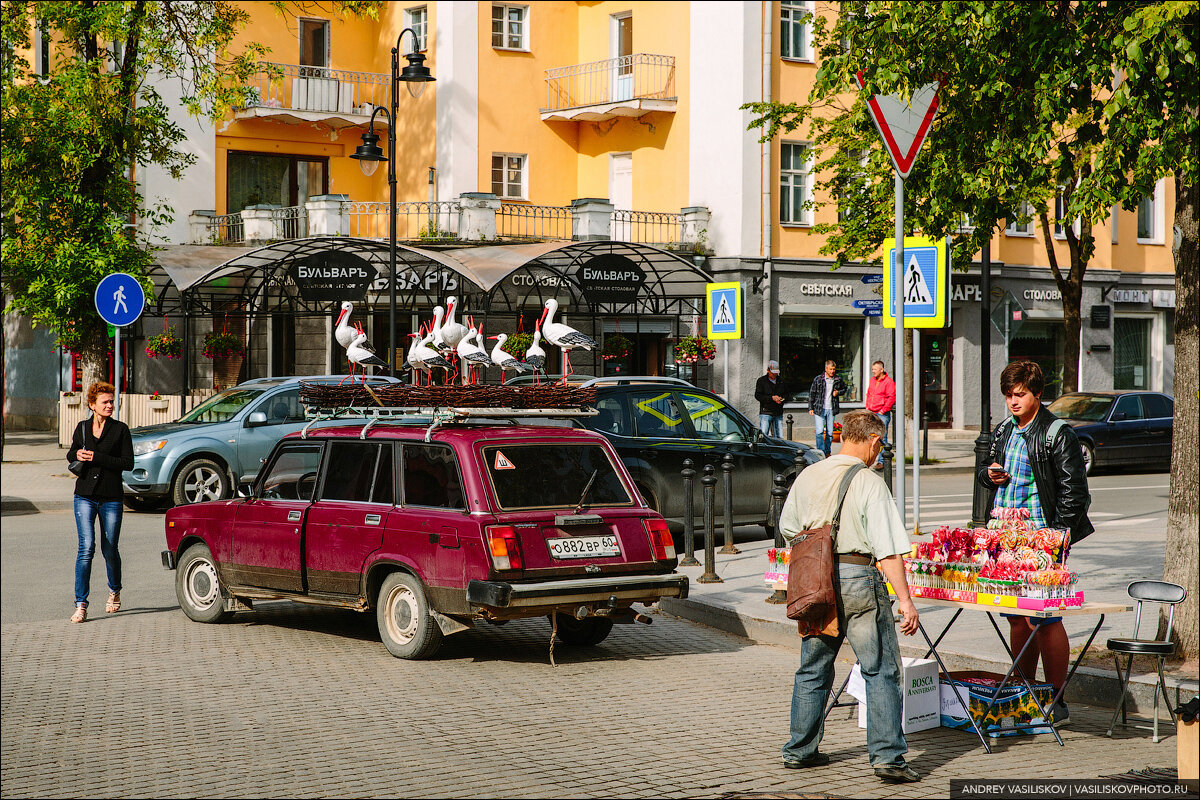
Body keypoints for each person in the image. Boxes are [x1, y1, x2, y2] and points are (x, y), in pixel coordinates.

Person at [779, 410, 921, 783]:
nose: (881, 452)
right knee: (880, 670)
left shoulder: (809, 473)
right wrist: (905, 600)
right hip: (858, 578)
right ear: (874, 441)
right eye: (882, 445)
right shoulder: (869, 482)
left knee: (813, 668)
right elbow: (888, 550)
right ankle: (888, 758)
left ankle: (799, 750)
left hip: (816, 580)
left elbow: (789, 529)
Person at [976, 360, 1093, 728]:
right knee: (1016, 616)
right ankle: (1024, 693)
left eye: (1020, 395)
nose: (1013, 401)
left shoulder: (1057, 432)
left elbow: (1076, 492)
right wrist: (989, 475)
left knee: (1044, 617)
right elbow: (983, 473)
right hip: (1005, 536)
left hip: (1043, 537)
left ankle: (1056, 700)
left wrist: (1057, 537)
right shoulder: (1003, 431)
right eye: (1008, 395)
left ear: (1038, 394)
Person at [66, 381, 134, 623]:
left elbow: (128, 463)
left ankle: (114, 590)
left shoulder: (120, 430)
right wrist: (77, 454)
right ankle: (81, 604)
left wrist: (98, 457)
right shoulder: (82, 428)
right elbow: (71, 453)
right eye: (104, 402)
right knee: (86, 548)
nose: (110, 405)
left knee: (109, 548)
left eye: (111, 401)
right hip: (84, 494)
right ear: (92, 405)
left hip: (111, 498)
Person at [808, 360, 847, 457]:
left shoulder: (837, 379)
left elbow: (845, 388)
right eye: (831, 369)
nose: (832, 371)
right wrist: (810, 407)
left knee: (830, 433)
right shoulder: (818, 379)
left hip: (831, 408)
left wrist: (838, 392)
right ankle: (820, 452)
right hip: (819, 408)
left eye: (834, 369)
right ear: (826, 369)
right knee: (820, 431)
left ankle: (827, 451)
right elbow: (812, 393)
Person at [865, 361, 896, 470]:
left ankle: (882, 461)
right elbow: (869, 394)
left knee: (882, 437)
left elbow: (891, 397)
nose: (873, 371)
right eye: (872, 369)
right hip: (872, 412)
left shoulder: (889, 382)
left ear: (881, 370)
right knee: (870, 436)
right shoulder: (872, 380)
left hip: (882, 413)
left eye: (875, 369)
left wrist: (883, 410)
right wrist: (867, 407)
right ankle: (869, 459)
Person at [755, 360, 786, 438]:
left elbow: (787, 394)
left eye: (776, 373)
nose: (775, 374)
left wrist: (782, 399)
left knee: (779, 436)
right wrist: (771, 398)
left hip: (778, 411)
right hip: (766, 411)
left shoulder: (781, 381)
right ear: (768, 370)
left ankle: (779, 449)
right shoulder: (761, 381)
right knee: (764, 434)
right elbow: (758, 395)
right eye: (773, 372)